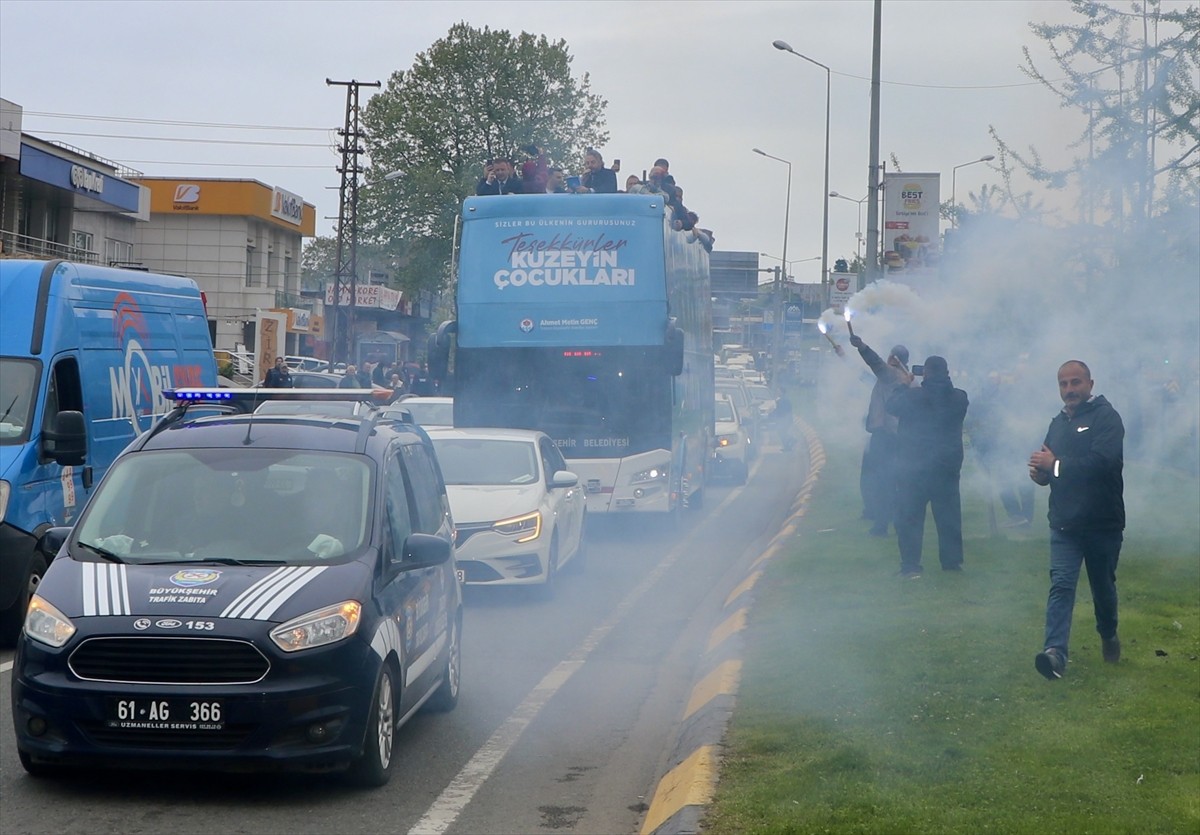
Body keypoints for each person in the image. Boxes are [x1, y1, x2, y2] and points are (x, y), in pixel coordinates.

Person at [1028, 360, 1125, 680]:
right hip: (1064, 523)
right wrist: (1040, 474)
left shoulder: (1107, 418)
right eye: (1063, 384)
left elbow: (1101, 463)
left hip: (1101, 522)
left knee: (1103, 589)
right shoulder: (1057, 423)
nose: (1069, 390)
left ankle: (1109, 635)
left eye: (1075, 383)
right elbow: (1049, 466)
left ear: (1090, 384)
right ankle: (1055, 654)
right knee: (1062, 585)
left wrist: (1054, 465)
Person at [885, 355, 969, 577]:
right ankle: (952, 563)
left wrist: (904, 384)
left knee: (910, 518)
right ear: (947, 372)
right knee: (949, 517)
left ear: (927, 373)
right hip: (947, 467)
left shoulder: (912, 397)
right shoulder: (961, 398)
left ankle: (911, 566)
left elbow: (891, 405)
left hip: (915, 468)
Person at [849, 336, 910, 536]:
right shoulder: (904, 377)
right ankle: (889, 518)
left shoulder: (891, 374)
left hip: (885, 436)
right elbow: (870, 377)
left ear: (893, 358)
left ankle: (881, 524)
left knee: (882, 481)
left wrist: (862, 347)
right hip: (897, 436)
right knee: (891, 480)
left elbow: (874, 363)